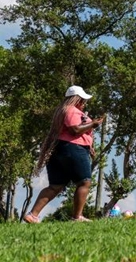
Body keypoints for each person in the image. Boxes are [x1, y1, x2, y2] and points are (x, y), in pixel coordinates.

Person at [24, 86, 103, 223]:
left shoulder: (62, 111)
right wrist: (93, 124)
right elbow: (75, 130)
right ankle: (77, 217)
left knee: (56, 185)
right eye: (83, 100)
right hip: (73, 148)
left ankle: (32, 215)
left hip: (59, 149)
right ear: (77, 99)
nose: (84, 103)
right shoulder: (71, 110)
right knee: (84, 182)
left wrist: (89, 145)